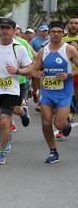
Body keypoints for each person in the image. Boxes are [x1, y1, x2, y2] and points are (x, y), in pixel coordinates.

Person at [0, 17, 33, 165]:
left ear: (14, 31)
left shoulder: (19, 48)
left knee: (4, 121)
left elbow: (30, 68)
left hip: (11, 90)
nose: (4, 31)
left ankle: (1, 152)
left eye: (8, 28)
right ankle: (20, 114)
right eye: (2, 28)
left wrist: (18, 70)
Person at [26, 20, 78, 163]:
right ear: (49, 33)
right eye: (53, 32)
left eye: (59, 32)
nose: (56, 34)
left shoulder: (69, 50)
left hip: (64, 92)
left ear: (63, 33)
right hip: (47, 93)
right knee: (46, 123)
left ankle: (66, 125)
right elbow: (34, 69)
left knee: (59, 124)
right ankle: (53, 151)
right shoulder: (44, 51)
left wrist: (69, 75)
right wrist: (38, 74)